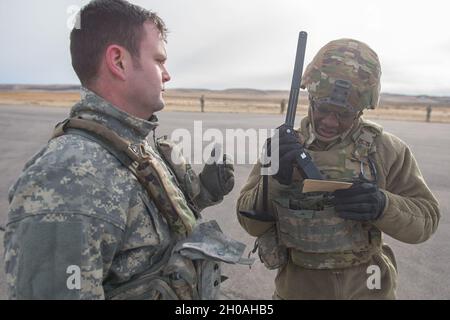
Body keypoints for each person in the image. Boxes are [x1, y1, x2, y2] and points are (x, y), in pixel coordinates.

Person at [4, 0, 243, 300]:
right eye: (159, 60)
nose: (167, 75)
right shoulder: (69, 178)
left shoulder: (132, 145)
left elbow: (148, 238)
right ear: (118, 61)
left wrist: (203, 194)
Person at [236, 38, 440, 299]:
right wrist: (274, 180)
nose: (330, 122)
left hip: (369, 288)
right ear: (311, 97)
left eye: (344, 114)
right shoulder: (283, 148)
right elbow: (250, 224)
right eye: (323, 109)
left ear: (360, 109)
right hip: (299, 290)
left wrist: (382, 205)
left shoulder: (386, 150)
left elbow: (427, 220)